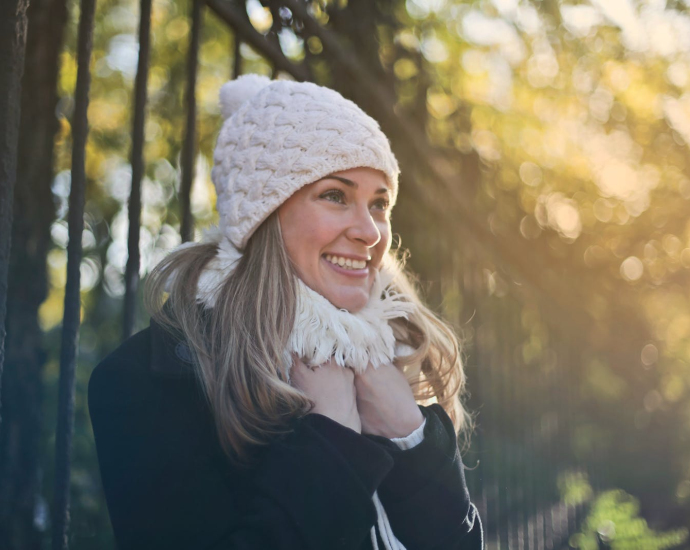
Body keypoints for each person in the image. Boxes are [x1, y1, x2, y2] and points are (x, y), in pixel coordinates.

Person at [89, 74, 484, 550]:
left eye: (379, 203)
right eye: (335, 196)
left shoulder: (393, 355)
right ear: (263, 215)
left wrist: (409, 437)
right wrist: (332, 440)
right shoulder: (148, 380)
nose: (371, 232)